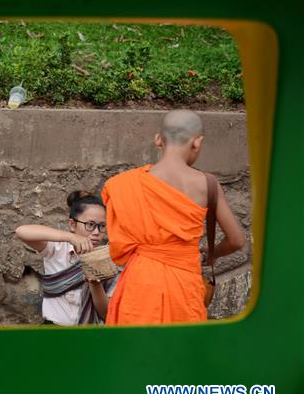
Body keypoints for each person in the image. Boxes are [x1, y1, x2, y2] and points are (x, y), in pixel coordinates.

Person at [102, 109, 245, 325]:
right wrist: (209, 254)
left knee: (136, 349)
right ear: (197, 142)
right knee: (180, 351)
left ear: (158, 140)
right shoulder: (206, 185)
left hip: (140, 282)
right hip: (183, 282)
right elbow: (236, 241)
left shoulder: (125, 184)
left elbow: (119, 242)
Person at [15, 191, 116, 325]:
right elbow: (21, 231)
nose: (96, 232)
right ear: (72, 225)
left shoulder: (110, 260)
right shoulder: (57, 249)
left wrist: (95, 284)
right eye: (90, 225)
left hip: (90, 335)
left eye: (102, 226)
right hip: (54, 332)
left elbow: (106, 314)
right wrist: (70, 237)